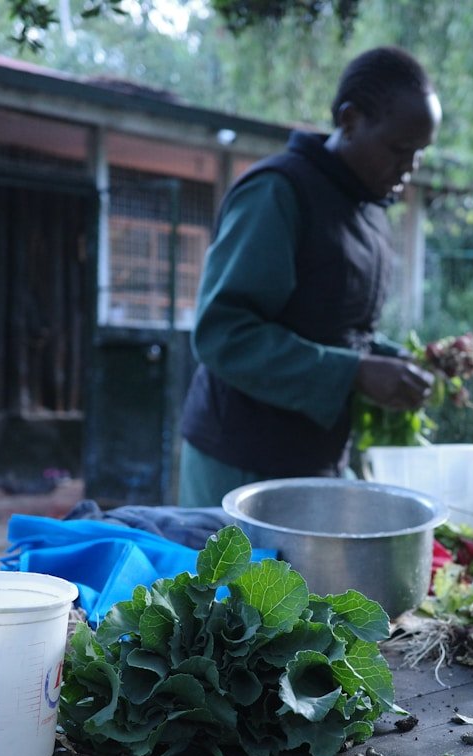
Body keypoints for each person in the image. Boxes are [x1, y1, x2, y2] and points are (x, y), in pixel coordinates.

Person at [178, 46, 442, 507]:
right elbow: (223, 334)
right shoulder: (278, 192)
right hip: (239, 462)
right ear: (350, 120)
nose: (410, 168)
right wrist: (356, 372)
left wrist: (395, 363)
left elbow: (335, 330)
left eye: (420, 154)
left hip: (312, 460)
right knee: (227, 582)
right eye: (400, 150)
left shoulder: (367, 211)